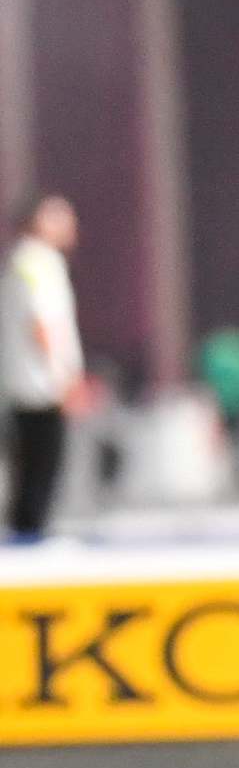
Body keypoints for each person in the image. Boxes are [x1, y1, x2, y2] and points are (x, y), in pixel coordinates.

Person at [3, 194, 85, 540]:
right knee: (41, 465)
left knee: (31, 465)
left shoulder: (22, 261)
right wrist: (64, 379)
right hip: (40, 386)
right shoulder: (38, 263)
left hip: (26, 383)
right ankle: (29, 536)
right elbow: (42, 324)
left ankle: (26, 530)